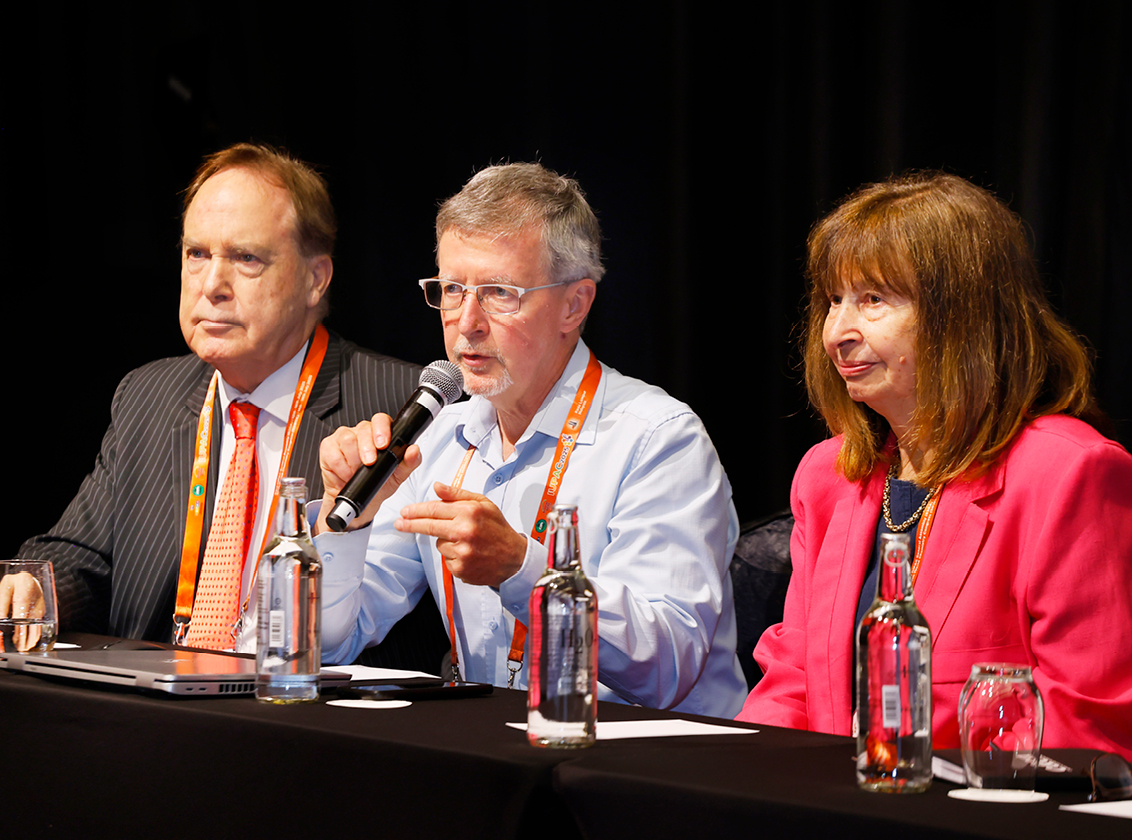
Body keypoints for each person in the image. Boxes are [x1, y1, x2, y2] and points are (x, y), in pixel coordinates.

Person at [314, 163, 746, 717]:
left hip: (651, 769)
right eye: (451, 290)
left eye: (499, 293)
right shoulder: (439, 435)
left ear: (575, 304)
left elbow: (666, 668)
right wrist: (349, 521)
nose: (466, 322)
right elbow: (331, 642)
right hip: (503, 755)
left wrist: (523, 570)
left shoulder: (658, 439)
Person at [736, 171, 1132, 756]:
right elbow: (794, 681)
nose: (838, 332)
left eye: (872, 300)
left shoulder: (1068, 473)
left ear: (962, 316)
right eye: (833, 301)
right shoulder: (829, 476)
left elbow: (1088, 727)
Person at [8, 143, 446, 665]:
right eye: (197, 254)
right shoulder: (149, 395)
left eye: (245, 258)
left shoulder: (398, 407)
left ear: (315, 279)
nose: (212, 285)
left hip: (307, 717)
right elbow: (83, 554)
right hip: (154, 707)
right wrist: (35, 588)